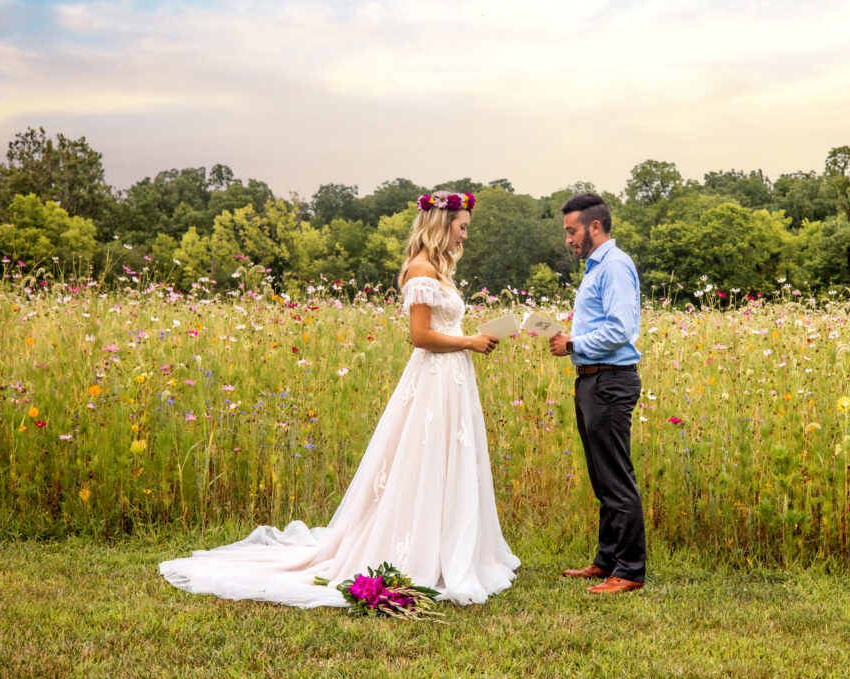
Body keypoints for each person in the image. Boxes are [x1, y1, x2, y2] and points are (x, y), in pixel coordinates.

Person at [160, 190, 520, 608]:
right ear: (443, 225)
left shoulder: (439, 270)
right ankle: (420, 551)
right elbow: (419, 337)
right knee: (424, 460)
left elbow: (442, 326)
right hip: (435, 380)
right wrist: (468, 341)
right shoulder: (421, 271)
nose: (464, 236)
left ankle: (450, 545)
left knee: (448, 460)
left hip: (453, 379)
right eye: (462, 227)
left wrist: (470, 340)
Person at [548, 193, 646, 595]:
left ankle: (630, 570)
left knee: (616, 477)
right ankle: (606, 560)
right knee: (601, 477)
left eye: (572, 231)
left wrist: (572, 344)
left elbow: (621, 330)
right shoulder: (595, 269)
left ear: (594, 227)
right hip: (592, 379)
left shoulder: (615, 267)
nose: (568, 239)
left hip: (610, 380)